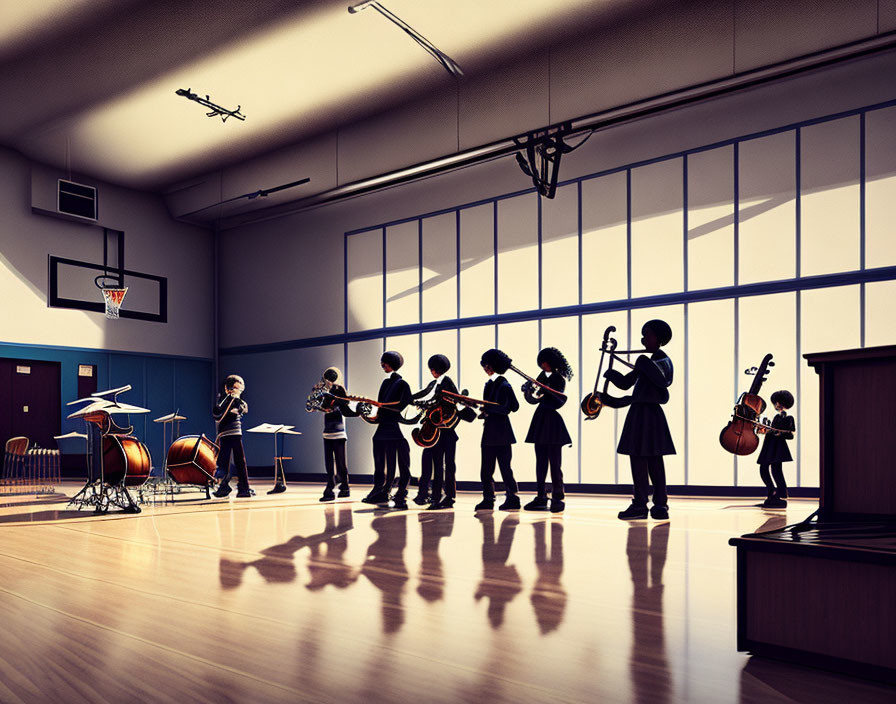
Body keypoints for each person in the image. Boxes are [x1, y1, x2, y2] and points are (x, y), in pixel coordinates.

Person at [602, 320, 675, 520]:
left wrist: (643, 362)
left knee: (654, 462)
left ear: (659, 339)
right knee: (639, 461)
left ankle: (659, 504)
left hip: (650, 416)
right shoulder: (647, 362)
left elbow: (663, 380)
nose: (643, 339)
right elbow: (627, 384)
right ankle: (641, 503)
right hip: (640, 415)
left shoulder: (662, 360)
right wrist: (612, 374)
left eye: (647, 335)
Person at [411, 354, 475, 510]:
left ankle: (442, 497)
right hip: (439, 431)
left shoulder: (445, 383)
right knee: (439, 464)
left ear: (434, 370)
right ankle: (435, 496)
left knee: (443, 465)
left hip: (445, 432)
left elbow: (449, 404)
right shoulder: (436, 384)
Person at [523, 347, 573, 513]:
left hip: (552, 422)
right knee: (541, 463)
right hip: (541, 421)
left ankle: (558, 497)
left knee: (555, 464)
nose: (542, 365)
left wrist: (545, 390)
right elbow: (534, 400)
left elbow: (558, 401)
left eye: (544, 362)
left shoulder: (559, 379)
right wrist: (528, 391)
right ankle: (541, 496)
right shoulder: (542, 377)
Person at [361, 351, 413, 509]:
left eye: (384, 362)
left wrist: (382, 407)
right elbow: (380, 405)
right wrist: (373, 414)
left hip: (392, 427)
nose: (382, 365)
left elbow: (404, 404)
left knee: (392, 461)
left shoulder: (402, 384)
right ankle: (380, 489)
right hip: (383, 426)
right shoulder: (385, 383)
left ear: (390, 363)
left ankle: (389, 490)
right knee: (380, 461)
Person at [475, 348, 520, 512]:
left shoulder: (504, 385)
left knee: (505, 468)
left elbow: (513, 406)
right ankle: (488, 498)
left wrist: (490, 410)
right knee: (486, 469)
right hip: (490, 431)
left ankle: (513, 497)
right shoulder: (489, 384)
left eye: (487, 365)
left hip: (501, 432)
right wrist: (485, 411)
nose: (485, 369)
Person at [307, 367, 358, 502]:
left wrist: (359, 413)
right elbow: (310, 406)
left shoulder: (339, 389)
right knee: (329, 462)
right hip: (327, 430)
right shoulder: (319, 389)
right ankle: (330, 487)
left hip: (339, 431)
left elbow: (346, 409)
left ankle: (345, 487)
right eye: (327, 378)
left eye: (331, 378)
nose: (329, 381)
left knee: (341, 462)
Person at [212, 374, 253, 498]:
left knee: (240, 461)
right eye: (235, 388)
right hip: (225, 434)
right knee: (223, 461)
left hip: (235, 433)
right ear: (228, 388)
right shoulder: (224, 401)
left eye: (239, 389)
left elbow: (243, 408)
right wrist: (230, 400)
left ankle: (244, 488)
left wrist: (236, 403)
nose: (238, 391)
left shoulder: (238, 401)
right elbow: (217, 414)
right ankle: (223, 486)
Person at [757, 390, 795, 508]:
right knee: (765, 468)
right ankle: (773, 491)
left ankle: (778, 492)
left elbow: (790, 434)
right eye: (776, 403)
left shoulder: (788, 418)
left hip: (777, 446)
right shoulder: (777, 417)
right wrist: (767, 430)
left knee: (775, 470)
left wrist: (777, 432)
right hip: (770, 444)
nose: (776, 405)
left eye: (778, 402)